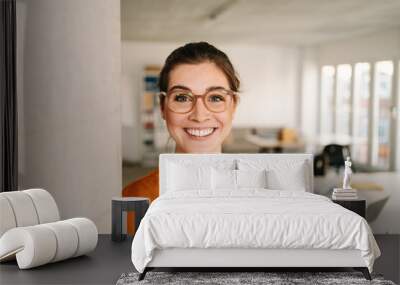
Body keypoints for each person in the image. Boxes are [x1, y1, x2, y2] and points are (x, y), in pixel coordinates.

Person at [122, 42, 240, 233]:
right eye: (182, 98)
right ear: (162, 106)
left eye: (215, 97)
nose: (200, 116)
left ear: (233, 106)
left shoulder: (267, 196)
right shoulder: (133, 199)